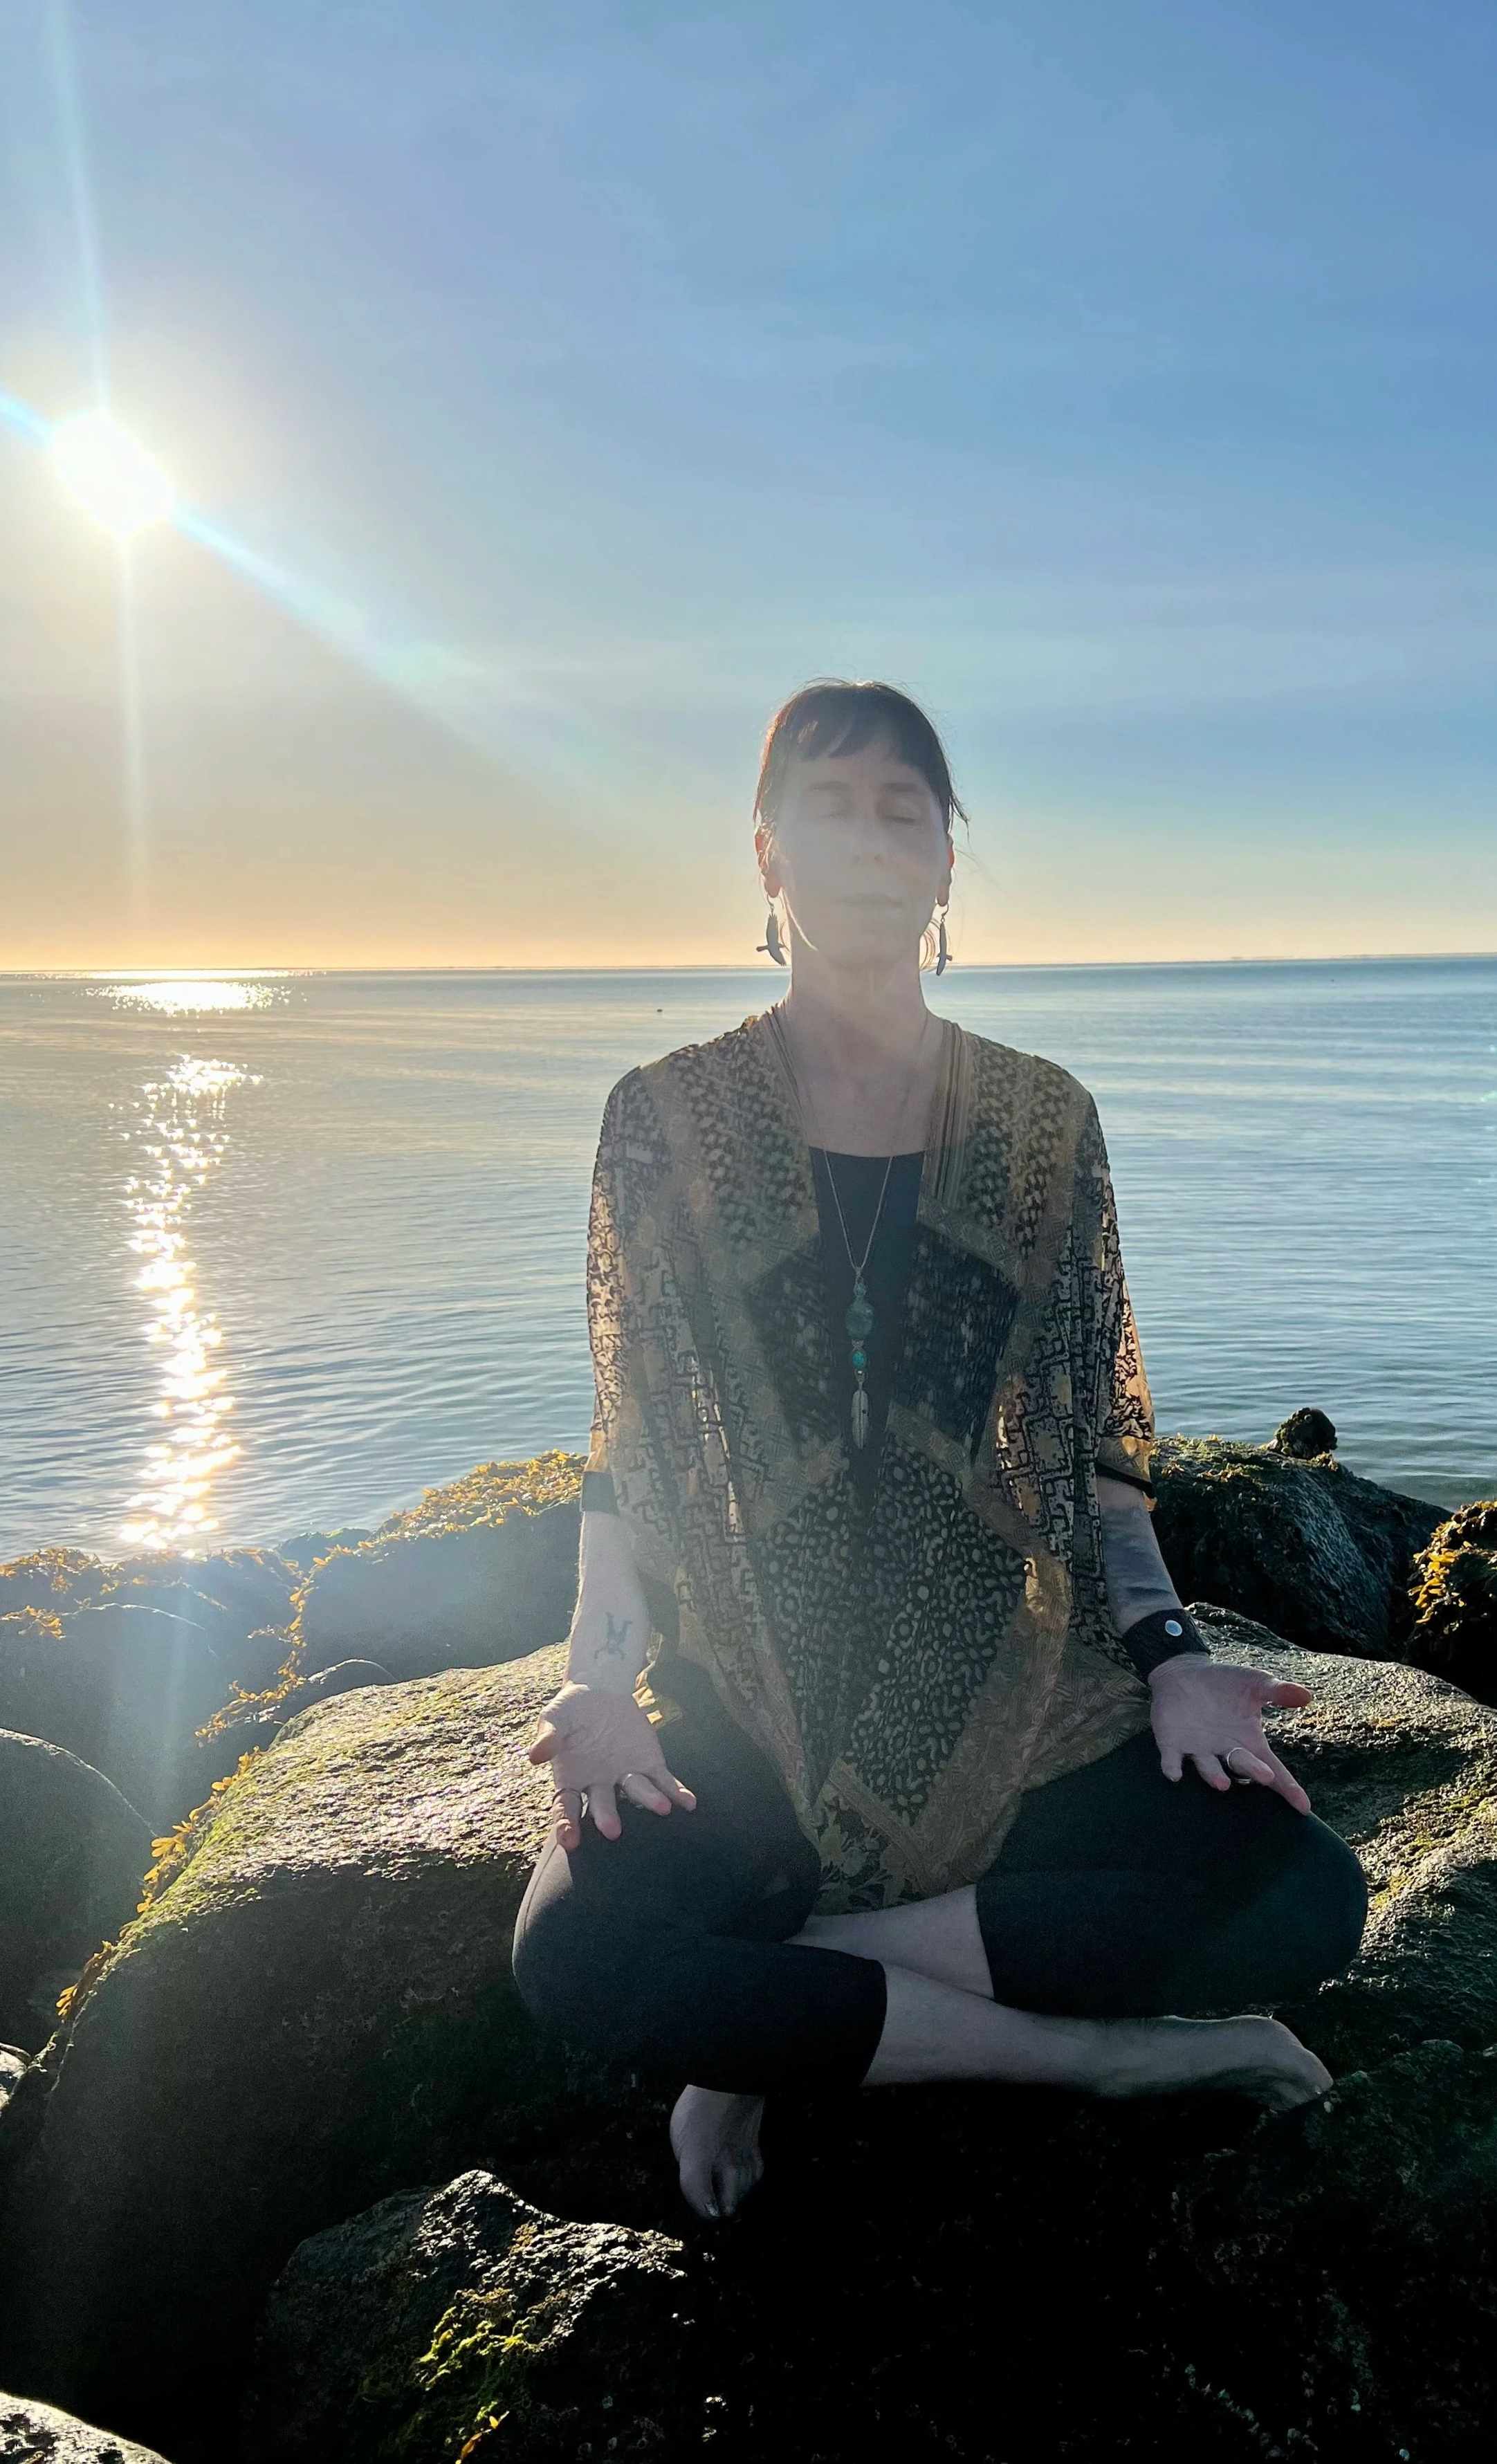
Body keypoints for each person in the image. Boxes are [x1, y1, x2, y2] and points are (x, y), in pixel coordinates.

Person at [513, 680, 1367, 2221]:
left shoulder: (1043, 1121)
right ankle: (1106, 2058)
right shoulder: (666, 1119)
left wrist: (1167, 1650)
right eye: (825, 804)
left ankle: (776, 2010)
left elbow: (1100, 1451)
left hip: (1016, 1691)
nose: (867, 835)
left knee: (1308, 1892)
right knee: (573, 1953)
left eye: (902, 803)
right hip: (751, 1700)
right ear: (765, 855)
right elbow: (629, 1447)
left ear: (945, 860)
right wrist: (592, 1677)